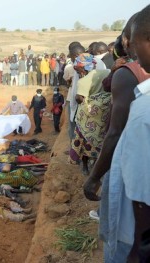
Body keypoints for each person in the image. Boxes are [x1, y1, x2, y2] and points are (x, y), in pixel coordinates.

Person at [83, 11, 150, 262]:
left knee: (121, 241)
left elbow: (115, 132)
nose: (131, 47)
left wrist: (93, 177)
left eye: (133, 40)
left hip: (134, 205)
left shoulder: (130, 81)